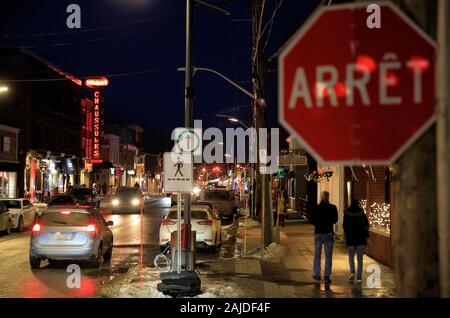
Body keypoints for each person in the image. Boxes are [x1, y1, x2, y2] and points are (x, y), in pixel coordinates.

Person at [310, 191, 338, 285]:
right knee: (328, 256)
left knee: (317, 254)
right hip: (329, 233)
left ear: (321, 197)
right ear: (328, 197)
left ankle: (317, 274)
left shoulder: (316, 207)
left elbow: (310, 218)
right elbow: (335, 220)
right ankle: (327, 275)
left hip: (318, 233)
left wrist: (317, 224)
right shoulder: (333, 207)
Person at [343, 199, 370, 283]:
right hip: (360, 238)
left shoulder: (347, 213)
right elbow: (366, 225)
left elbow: (344, 225)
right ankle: (359, 276)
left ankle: (352, 273)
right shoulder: (361, 213)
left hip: (351, 238)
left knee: (351, 257)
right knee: (360, 258)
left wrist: (347, 233)